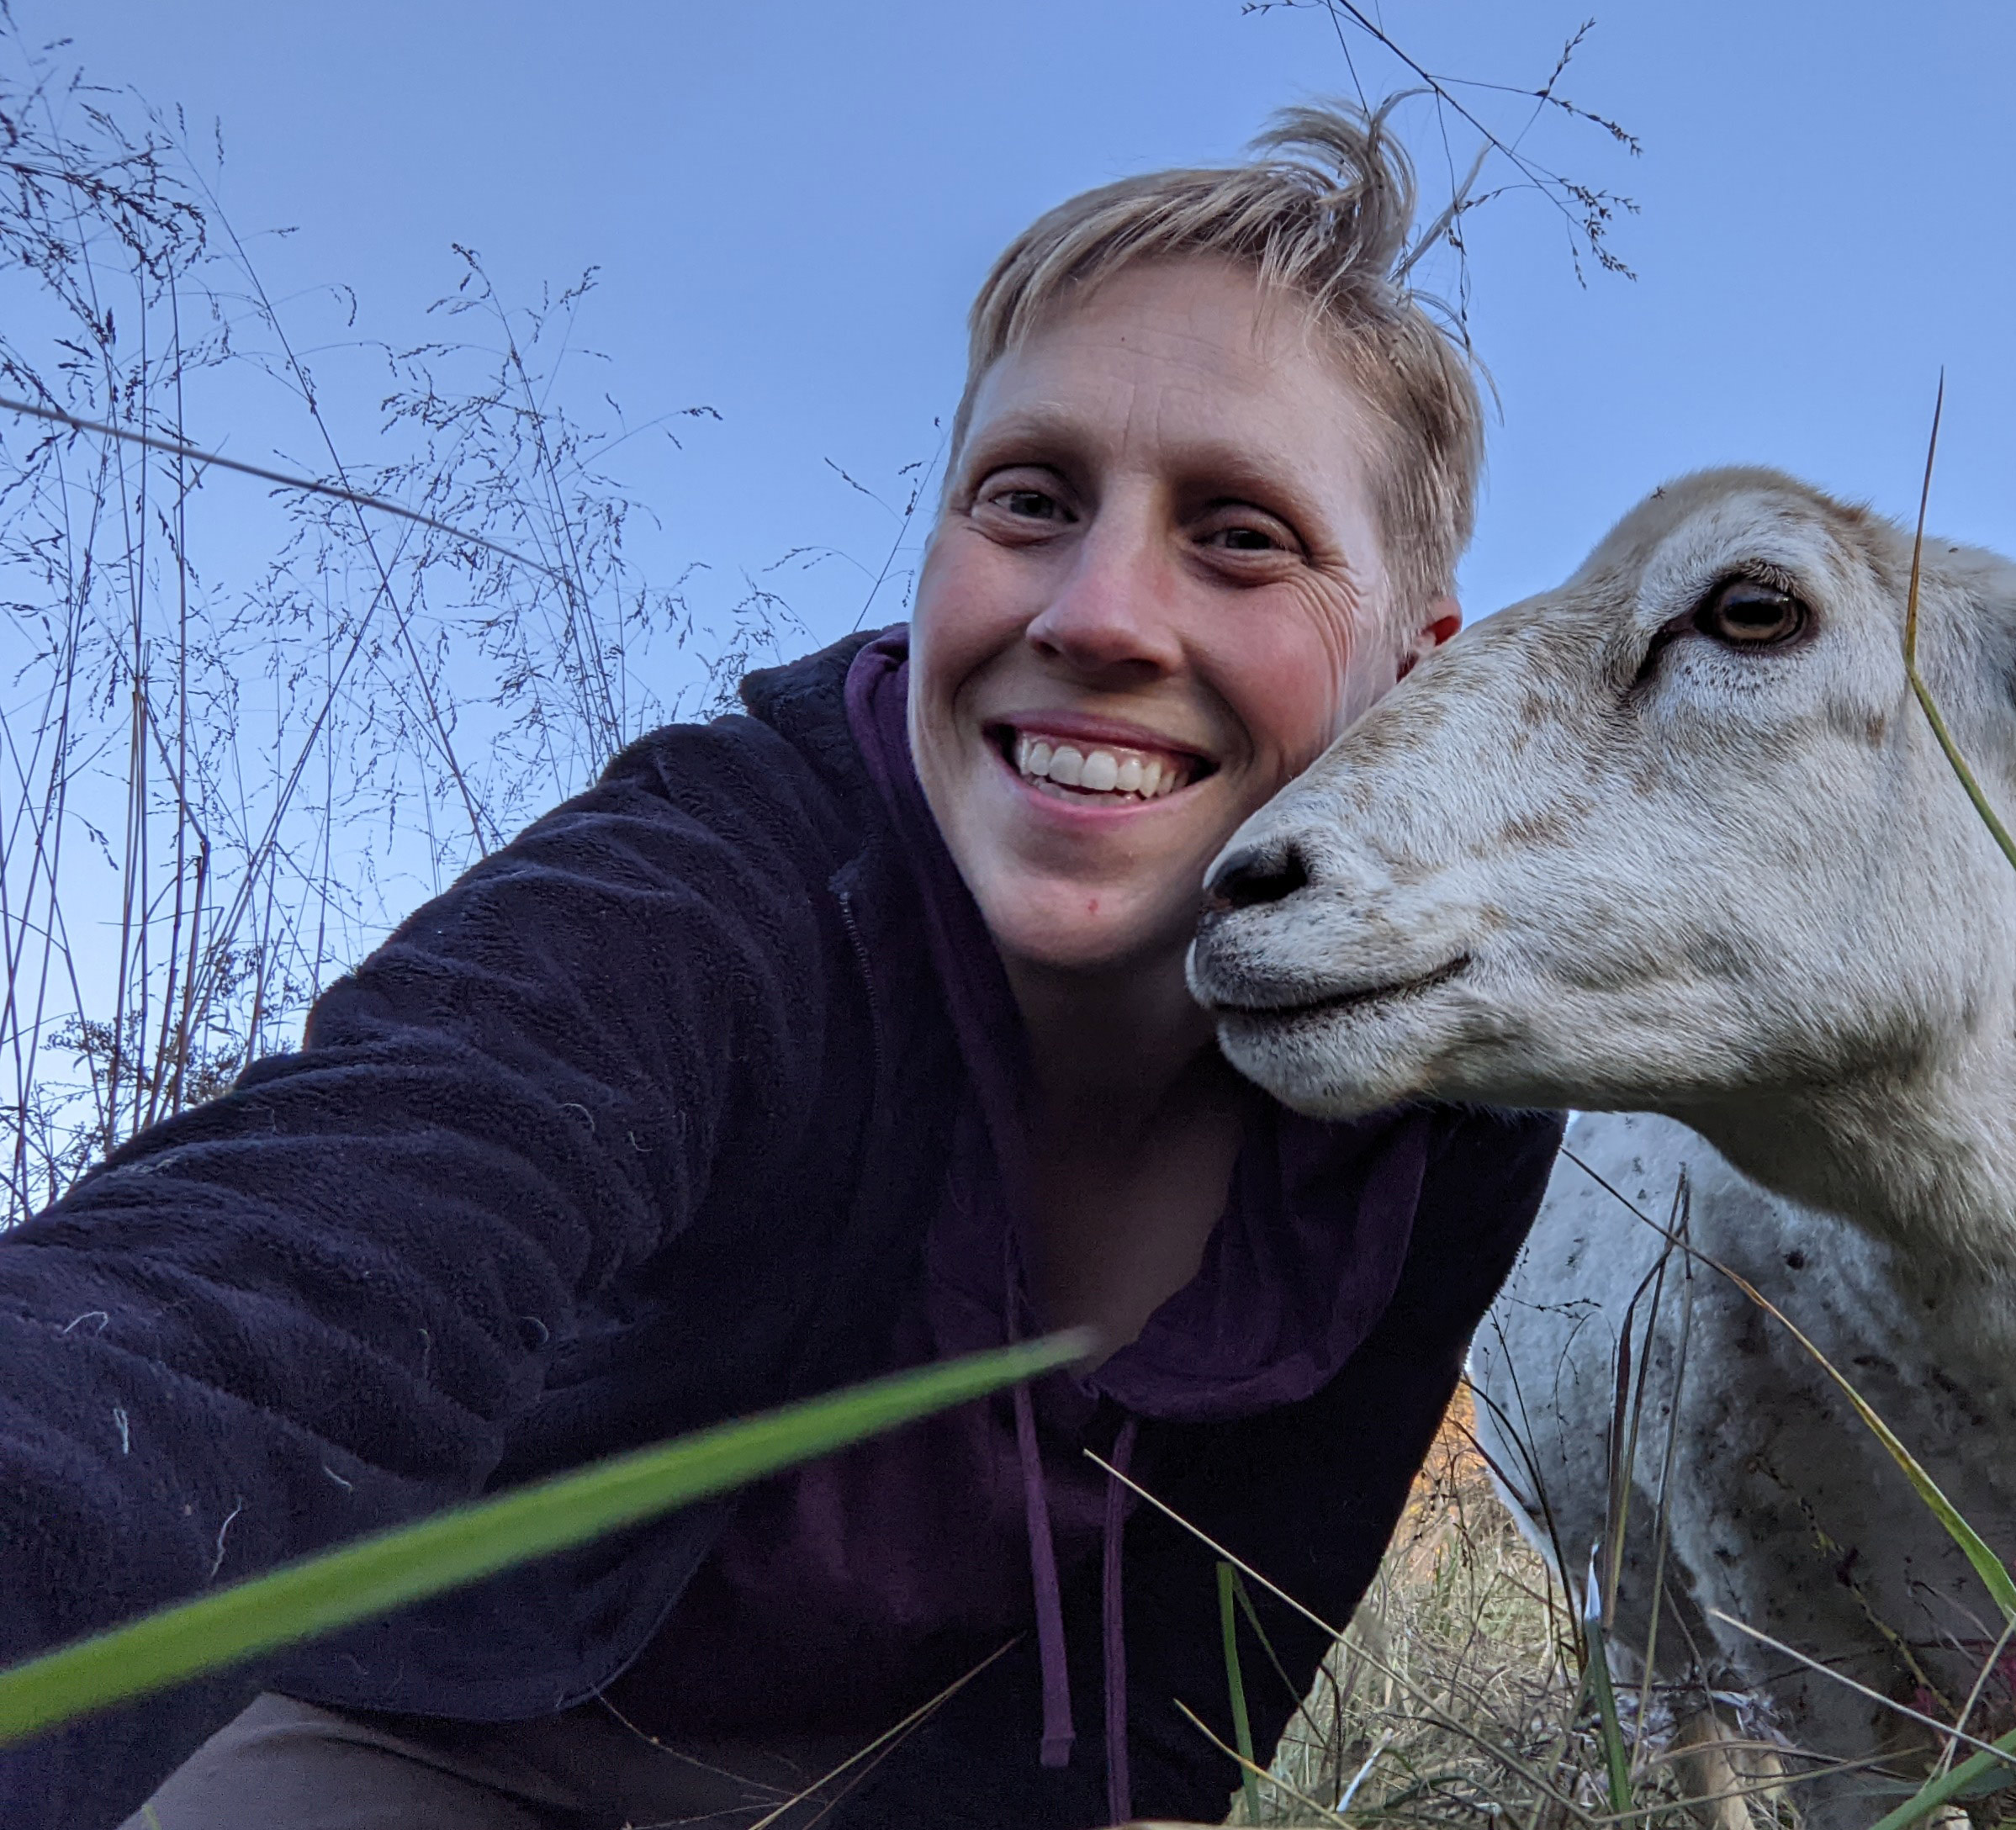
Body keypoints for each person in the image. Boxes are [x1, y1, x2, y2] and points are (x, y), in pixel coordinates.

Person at [0, 104, 1563, 1830]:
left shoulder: (1451, 1093)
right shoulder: (722, 874)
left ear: (1417, 677)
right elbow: (251, 1307)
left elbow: (1192, 1693)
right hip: (449, 1729)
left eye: (1242, 533)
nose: (1101, 611)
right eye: (1028, 499)